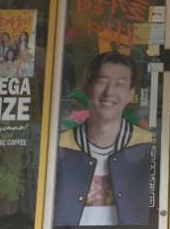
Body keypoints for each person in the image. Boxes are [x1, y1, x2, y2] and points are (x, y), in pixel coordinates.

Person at [54, 51, 152, 227]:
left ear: (131, 95)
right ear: (87, 88)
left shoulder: (147, 144)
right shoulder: (60, 144)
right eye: (102, 81)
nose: (109, 92)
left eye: (120, 84)